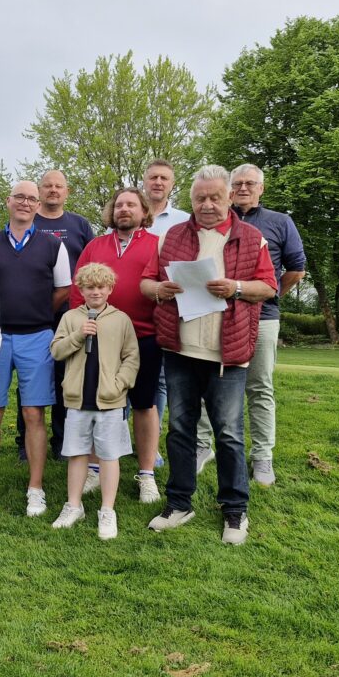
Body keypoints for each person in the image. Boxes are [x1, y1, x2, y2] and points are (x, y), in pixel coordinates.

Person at [141, 166, 276, 545]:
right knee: (180, 430)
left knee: (229, 433)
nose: (208, 204)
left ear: (230, 197)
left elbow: (268, 287)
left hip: (227, 353)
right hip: (181, 348)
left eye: (216, 197)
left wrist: (235, 287)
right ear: (192, 199)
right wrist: (160, 290)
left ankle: (235, 510)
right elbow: (146, 281)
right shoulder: (172, 237)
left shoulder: (251, 238)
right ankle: (179, 503)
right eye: (200, 198)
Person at [194, 164, 306, 487]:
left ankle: (262, 457)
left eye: (249, 184)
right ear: (228, 190)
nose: (243, 188)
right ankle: (203, 447)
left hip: (262, 317)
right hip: (213, 314)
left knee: (259, 388)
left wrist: (271, 295)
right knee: (205, 386)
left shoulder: (280, 222)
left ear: (261, 189)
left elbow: (296, 269)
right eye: (237, 184)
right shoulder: (218, 220)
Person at [0, 181, 71, 517]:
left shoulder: (53, 246)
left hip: (37, 336)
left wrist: (36, 311)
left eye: (31, 199)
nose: (25, 203)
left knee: (33, 414)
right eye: (20, 197)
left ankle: (35, 488)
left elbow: (62, 289)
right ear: (9, 202)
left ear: (38, 205)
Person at [69, 188, 162, 503]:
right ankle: (95, 468)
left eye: (131, 204)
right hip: (99, 337)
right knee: (98, 403)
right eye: (119, 204)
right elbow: (76, 289)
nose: (124, 209)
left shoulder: (156, 245)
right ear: (112, 211)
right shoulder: (96, 245)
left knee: (144, 404)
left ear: (143, 211)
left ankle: (146, 473)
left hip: (145, 335)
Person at [49, 263, 140, 540]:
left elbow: (131, 357)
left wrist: (119, 384)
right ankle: (73, 505)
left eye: (101, 287)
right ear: (81, 289)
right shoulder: (72, 318)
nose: (96, 292)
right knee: (77, 453)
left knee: (108, 455)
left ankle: (107, 510)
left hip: (110, 401)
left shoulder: (120, 319)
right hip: (77, 400)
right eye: (90, 287)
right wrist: (79, 335)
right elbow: (56, 350)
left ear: (109, 289)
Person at [29, 169, 94, 459]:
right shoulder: (28, 221)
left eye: (59, 186)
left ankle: (63, 439)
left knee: (67, 376)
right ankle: (25, 440)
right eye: (48, 186)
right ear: (40, 191)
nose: (53, 190)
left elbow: (93, 263)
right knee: (34, 376)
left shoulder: (80, 225)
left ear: (67, 191)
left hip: (73, 314)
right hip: (33, 315)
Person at [144, 158, 191, 470]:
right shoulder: (131, 214)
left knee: (159, 382)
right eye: (153, 178)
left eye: (164, 178)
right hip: (129, 310)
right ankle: (119, 440)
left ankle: (151, 446)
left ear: (172, 184)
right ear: (145, 182)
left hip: (167, 311)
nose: (158, 182)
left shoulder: (184, 220)